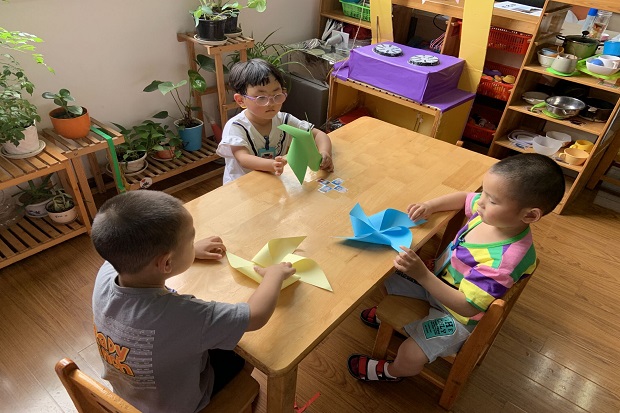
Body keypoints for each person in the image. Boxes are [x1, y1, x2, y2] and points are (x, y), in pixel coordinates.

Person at [347, 153, 565, 382]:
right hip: (440, 280)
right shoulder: (491, 215)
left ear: (529, 215)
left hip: (458, 316)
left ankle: (392, 372)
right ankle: (393, 319)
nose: (480, 202)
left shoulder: (503, 262)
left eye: (492, 200)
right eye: (484, 192)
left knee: (410, 354)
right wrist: (429, 206)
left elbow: (467, 307)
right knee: (386, 273)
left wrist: (422, 275)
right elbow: (464, 198)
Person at [90, 190, 296, 412]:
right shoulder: (184, 315)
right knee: (242, 353)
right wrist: (273, 275)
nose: (193, 244)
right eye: (190, 241)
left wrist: (189, 251)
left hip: (129, 396)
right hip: (180, 407)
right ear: (166, 263)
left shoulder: (108, 271)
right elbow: (256, 315)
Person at [216, 58, 334, 185]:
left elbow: (318, 134)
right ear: (241, 100)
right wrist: (271, 165)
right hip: (241, 187)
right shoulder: (236, 126)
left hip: (272, 182)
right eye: (261, 98)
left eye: (277, 95)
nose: (271, 103)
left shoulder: (284, 120)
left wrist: (324, 152)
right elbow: (243, 158)